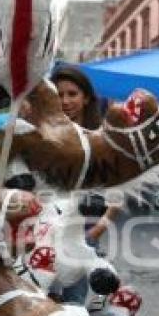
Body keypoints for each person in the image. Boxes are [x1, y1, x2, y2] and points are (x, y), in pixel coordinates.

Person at [50, 66, 121, 302]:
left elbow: (118, 189)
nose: (65, 101)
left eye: (72, 94)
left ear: (86, 97)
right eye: (59, 94)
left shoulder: (101, 139)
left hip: (83, 230)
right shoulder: (43, 137)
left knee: (74, 303)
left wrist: (100, 226)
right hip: (46, 228)